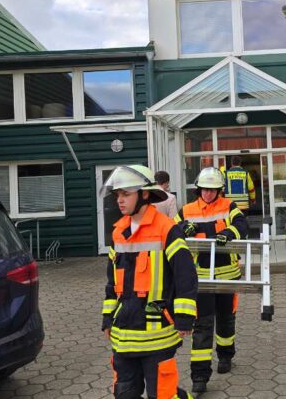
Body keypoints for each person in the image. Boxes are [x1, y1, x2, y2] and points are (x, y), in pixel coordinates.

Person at [100, 164, 197, 399]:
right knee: (124, 393)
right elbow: (112, 283)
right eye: (118, 194)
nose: (119, 200)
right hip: (124, 335)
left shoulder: (167, 229)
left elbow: (185, 274)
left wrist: (184, 316)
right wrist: (107, 317)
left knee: (163, 395)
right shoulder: (118, 232)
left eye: (126, 194)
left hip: (157, 332)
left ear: (144, 195)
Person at [174, 167, 248, 394]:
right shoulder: (187, 210)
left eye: (213, 190)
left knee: (226, 320)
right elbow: (171, 231)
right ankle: (199, 377)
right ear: (199, 189)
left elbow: (242, 225)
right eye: (205, 189)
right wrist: (183, 227)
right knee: (202, 325)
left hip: (227, 276)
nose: (208, 193)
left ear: (219, 190)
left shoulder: (228, 206)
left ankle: (225, 356)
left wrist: (229, 233)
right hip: (201, 278)